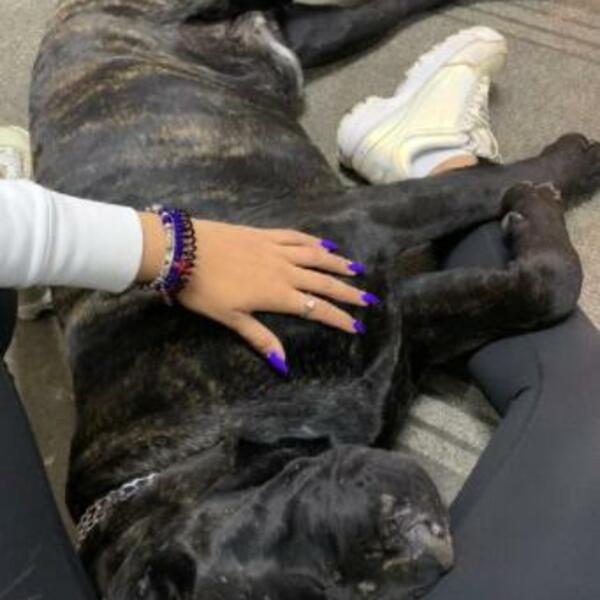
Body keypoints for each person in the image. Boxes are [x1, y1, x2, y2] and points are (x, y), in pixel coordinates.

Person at [1, 25, 599, 598]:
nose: (430, 548)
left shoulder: (183, 416)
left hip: (136, 59)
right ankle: (430, 150)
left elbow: (355, 243)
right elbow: (394, 331)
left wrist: (172, 249)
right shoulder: (217, 504)